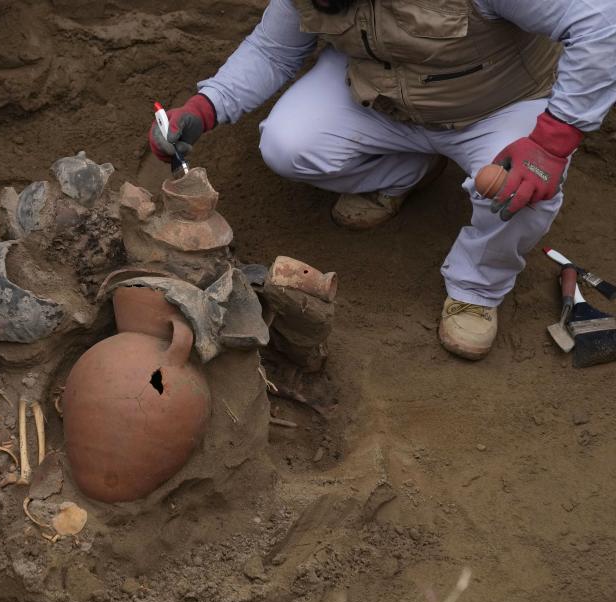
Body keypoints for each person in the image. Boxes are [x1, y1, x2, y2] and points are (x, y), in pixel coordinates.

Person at [148, 0, 616, 361]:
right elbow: (272, 49)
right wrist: (203, 109)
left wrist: (553, 142)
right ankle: (405, 172)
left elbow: (602, 21)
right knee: (288, 145)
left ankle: (476, 288)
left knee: (523, 190)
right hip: (382, 96)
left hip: (499, 104)